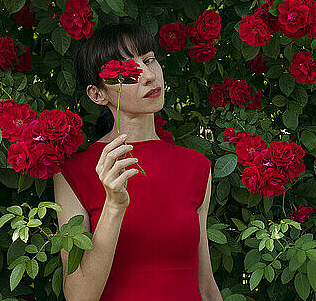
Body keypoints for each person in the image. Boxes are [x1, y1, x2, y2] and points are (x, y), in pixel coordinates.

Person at [53, 22, 223, 301]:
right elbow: (79, 296)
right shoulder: (74, 173)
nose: (147, 75)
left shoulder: (197, 166)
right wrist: (113, 205)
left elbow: (205, 284)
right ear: (98, 94)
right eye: (126, 70)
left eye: (149, 59)